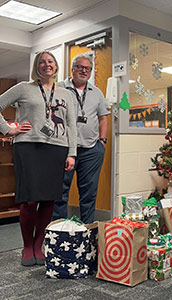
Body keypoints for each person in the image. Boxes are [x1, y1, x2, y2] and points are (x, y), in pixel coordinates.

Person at [0, 51, 77, 266]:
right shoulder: (24, 88)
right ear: (37, 66)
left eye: (50, 61)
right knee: (29, 199)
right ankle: (27, 246)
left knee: (48, 199)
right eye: (42, 62)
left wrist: (72, 153)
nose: (46, 65)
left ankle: (38, 244)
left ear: (56, 65)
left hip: (56, 149)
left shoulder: (66, 94)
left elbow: (71, 125)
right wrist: (8, 130)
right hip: (28, 147)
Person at [53, 53, 109, 224]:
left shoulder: (96, 92)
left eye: (87, 68)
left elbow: (103, 117)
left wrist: (102, 141)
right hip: (65, 149)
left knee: (89, 193)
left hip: (91, 150)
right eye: (80, 67)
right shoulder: (59, 88)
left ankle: (87, 230)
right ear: (72, 69)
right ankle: (58, 230)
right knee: (59, 192)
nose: (84, 71)